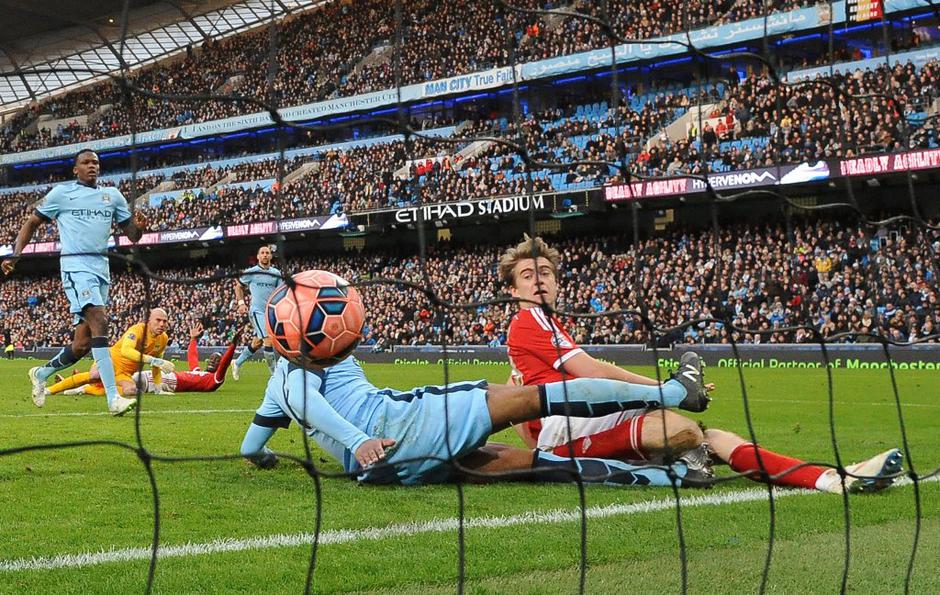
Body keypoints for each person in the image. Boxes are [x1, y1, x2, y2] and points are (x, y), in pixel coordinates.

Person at [498, 235, 903, 493]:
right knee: (680, 429)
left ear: (558, 282)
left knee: (715, 437)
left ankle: (832, 479)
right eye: (529, 274)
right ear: (514, 289)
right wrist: (668, 389)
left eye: (546, 272)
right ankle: (682, 458)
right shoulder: (529, 319)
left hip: (578, 429)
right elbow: (593, 372)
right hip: (567, 430)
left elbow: (588, 382)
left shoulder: (544, 328)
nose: (539, 280)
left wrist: (669, 387)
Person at [239, 353, 712, 486]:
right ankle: (675, 391)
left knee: (538, 464)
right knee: (535, 398)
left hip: (387, 471)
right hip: (403, 425)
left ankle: (675, 474)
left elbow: (248, 447)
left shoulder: (275, 383)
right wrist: (359, 437)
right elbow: (306, 400)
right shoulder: (291, 370)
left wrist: (263, 459)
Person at [2, 149, 146, 416]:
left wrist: (141, 226)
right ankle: (113, 399)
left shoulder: (112, 196)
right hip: (75, 267)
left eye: (96, 163)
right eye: (86, 163)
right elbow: (31, 222)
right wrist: (16, 254)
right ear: (75, 169)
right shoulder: (61, 194)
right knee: (100, 320)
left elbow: (133, 235)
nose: (92, 166)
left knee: (81, 344)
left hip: (101, 270)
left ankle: (41, 372)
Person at [46, 308, 174, 398]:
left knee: (131, 391)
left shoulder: (163, 338)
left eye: (165, 321)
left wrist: (158, 389)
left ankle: (86, 389)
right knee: (95, 375)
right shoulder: (137, 330)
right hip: (110, 360)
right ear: (149, 321)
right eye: (158, 320)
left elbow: (157, 366)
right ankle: (49, 390)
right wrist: (153, 360)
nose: (162, 324)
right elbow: (126, 351)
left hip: (125, 373)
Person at [131, 322, 241, 394]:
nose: (213, 361)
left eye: (217, 360)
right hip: (168, 377)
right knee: (132, 379)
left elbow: (225, 364)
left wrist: (233, 345)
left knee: (137, 379)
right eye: (212, 358)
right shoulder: (198, 372)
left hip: (172, 381)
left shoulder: (214, 379)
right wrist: (193, 338)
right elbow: (192, 357)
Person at [232, 245, 282, 379]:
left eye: (267, 253)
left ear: (271, 256)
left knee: (257, 343)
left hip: (270, 312)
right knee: (268, 340)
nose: (265, 255)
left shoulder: (276, 273)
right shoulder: (251, 272)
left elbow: (280, 292)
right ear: (258, 256)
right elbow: (238, 286)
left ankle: (237, 362)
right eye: (262, 253)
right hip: (257, 311)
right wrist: (241, 303)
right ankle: (275, 375)